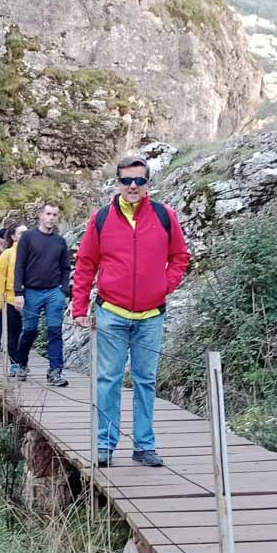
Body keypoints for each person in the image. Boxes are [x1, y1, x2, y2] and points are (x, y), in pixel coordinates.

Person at [72, 156, 191, 467]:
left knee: (145, 381)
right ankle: (104, 445)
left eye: (139, 180)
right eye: (127, 180)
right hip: (111, 312)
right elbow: (85, 263)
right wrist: (79, 306)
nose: (133, 186)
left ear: (148, 183)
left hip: (151, 315)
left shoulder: (165, 216)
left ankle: (144, 446)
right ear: (118, 183)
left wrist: (165, 286)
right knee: (108, 380)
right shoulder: (101, 218)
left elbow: (180, 256)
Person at [13, 204, 70, 387]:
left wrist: (63, 290)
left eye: (55, 215)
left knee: (55, 331)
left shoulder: (60, 242)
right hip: (32, 291)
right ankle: (21, 364)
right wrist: (18, 292)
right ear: (40, 215)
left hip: (54, 292)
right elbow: (19, 265)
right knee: (29, 330)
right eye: (48, 214)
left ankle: (55, 372)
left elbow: (65, 268)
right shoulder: (28, 237)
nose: (51, 218)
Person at [0, 223, 27, 375]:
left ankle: (23, 362)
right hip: (11, 300)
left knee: (28, 333)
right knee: (13, 333)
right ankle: (15, 364)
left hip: (30, 300)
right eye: (21, 233)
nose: (25, 236)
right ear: (13, 236)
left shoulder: (33, 252)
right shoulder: (7, 254)